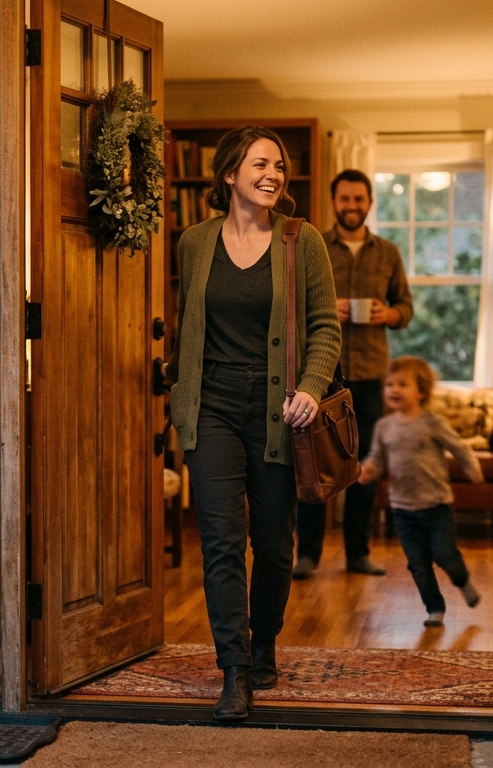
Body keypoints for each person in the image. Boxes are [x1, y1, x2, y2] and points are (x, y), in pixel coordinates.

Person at [165, 126, 341, 721]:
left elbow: (324, 327)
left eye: (280, 167)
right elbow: (190, 324)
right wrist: (179, 391)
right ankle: (234, 669)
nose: (273, 175)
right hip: (210, 406)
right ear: (229, 173)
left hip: (276, 411)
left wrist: (311, 391)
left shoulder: (301, 241)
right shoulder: (192, 241)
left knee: (271, 542)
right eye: (261, 164)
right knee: (218, 542)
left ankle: (264, 640)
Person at [292, 169, 413, 580]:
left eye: (359, 199)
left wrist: (388, 313)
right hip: (320, 375)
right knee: (312, 463)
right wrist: (329, 308)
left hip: (371, 374)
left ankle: (357, 554)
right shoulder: (312, 246)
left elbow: (406, 309)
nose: (352, 206)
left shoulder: (389, 253)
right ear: (333, 202)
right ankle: (306, 554)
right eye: (344, 199)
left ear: (369, 202)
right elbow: (292, 303)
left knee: (363, 465)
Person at [358, 356, 484, 627]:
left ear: (422, 392)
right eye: (389, 384)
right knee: (417, 564)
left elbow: (458, 446)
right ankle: (434, 608)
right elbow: (377, 458)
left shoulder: (431, 422)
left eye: (403, 384)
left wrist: (472, 468)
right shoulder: (383, 427)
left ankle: (462, 580)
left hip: (437, 506)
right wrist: (368, 470)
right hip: (403, 509)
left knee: (444, 554)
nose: (393, 389)